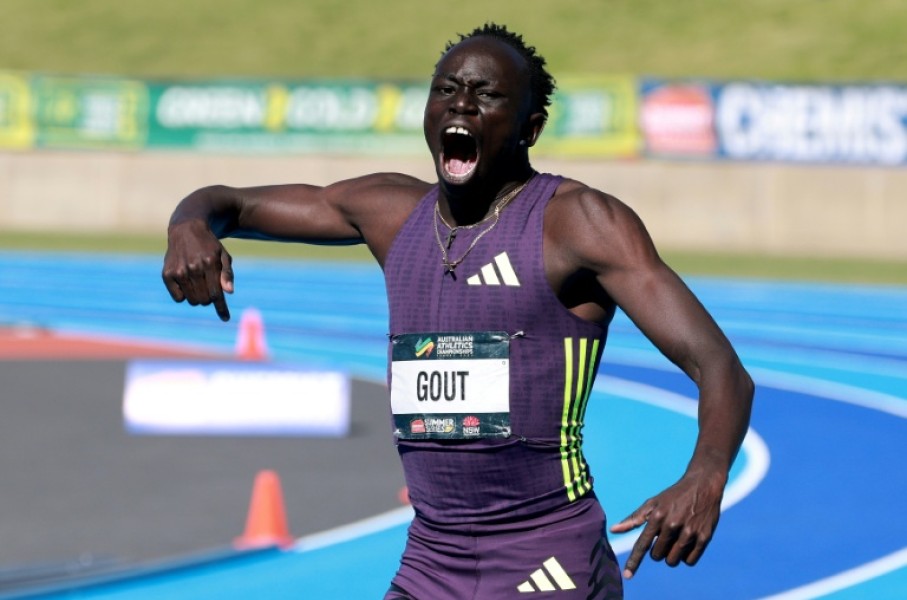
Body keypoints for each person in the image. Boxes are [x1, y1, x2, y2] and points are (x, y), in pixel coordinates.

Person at [162, 23, 754, 600]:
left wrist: (706, 474)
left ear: (530, 126)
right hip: (431, 557)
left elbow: (719, 364)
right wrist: (188, 223)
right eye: (446, 89)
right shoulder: (390, 214)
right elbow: (230, 204)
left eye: (486, 94)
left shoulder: (577, 222)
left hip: (547, 554)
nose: (461, 106)